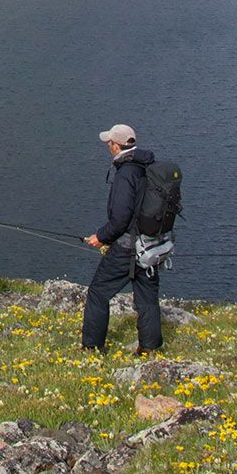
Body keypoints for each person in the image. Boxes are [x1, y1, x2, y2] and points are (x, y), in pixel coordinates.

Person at [80, 123, 163, 353]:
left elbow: (120, 219)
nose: (108, 145)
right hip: (152, 245)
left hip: (128, 247)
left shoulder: (125, 174)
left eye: (109, 142)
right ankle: (150, 349)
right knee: (147, 296)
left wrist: (101, 237)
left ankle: (92, 348)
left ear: (116, 146)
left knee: (98, 292)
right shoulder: (149, 166)